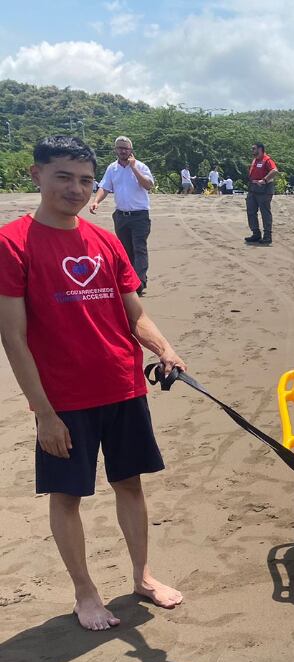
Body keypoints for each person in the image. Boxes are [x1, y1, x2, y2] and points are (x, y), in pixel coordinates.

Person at [0, 136, 186, 631]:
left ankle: (142, 576)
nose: (77, 189)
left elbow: (133, 313)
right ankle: (85, 592)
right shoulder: (13, 242)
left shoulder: (105, 241)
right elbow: (13, 337)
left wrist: (164, 348)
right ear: (36, 175)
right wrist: (43, 412)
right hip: (63, 400)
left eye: (85, 180)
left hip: (124, 386)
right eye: (63, 177)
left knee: (130, 484)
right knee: (67, 496)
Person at [88, 136, 155, 296]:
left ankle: (139, 282)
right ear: (115, 150)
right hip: (121, 215)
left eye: (126, 148)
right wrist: (96, 201)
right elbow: (105, 187)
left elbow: (148, 185)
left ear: (131, 150)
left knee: (139, 248)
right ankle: (131, 280)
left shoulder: (140, 166)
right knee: (126, 250)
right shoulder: (112, 168)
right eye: (120, 148)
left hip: (140, 215)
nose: (123, 151)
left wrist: (134, 168)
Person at [245, 142, 277, 245]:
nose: (252, 151)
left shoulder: (267, 160)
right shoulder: (255, 160)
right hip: (253, 189)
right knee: (251, 211)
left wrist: (264, 180)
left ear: (260, 149)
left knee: (265, 213)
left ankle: (267, 236)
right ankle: (256, 234)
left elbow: (275, 171)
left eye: (254, 149)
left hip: (264, 190)